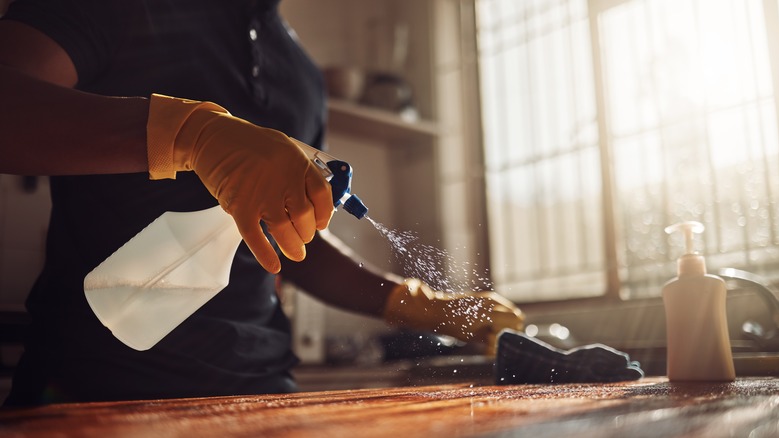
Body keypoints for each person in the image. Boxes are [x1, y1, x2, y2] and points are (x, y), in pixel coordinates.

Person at [0, 0, 524, 406]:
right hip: (92, 389)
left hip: (261, 390)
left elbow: (292, 235)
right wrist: (190, 134)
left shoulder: (300, 73)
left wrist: (418, 304)